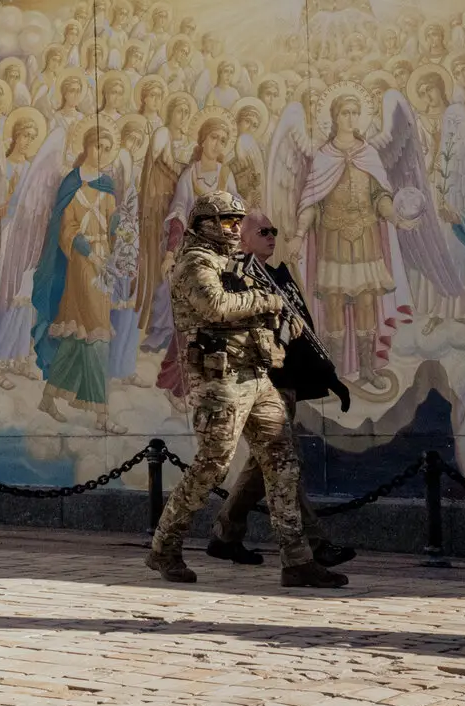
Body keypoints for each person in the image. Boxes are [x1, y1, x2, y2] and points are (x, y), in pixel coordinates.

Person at [146, 189, 347, 588]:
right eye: (227, 221)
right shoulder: (194, 262)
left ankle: (297, 559)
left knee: (283, 463)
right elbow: (216, 306)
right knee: (212, 466)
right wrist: (264, 300)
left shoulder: (235, 262)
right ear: (204, 223)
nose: (235, 228)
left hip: (257, 376)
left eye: (239, 222)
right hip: (219, 382)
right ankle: (164, 547)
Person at [206, 210, 356, 569]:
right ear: (242, 239)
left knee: (265, 464)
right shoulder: (234, 279)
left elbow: (301, 330)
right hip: (259, 385)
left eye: (274, 231)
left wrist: (328, 375)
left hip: (284, 382)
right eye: (263, 231)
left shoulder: (277, 276)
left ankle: (225, 536)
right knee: (285, 463)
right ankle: (315, 546)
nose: (272, 236)